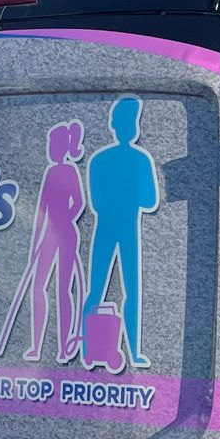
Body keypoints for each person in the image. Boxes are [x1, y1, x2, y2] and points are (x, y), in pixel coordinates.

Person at [0, 120, 84, 364]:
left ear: (61, 146)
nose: (50, 147)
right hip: (50, 235)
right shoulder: (51, 173)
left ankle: (63, 347)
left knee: (64, 289)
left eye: (52, 143)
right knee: (37, 287)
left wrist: (64, 221)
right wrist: (34, 248)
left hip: (67, 234)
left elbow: (79, 202)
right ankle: (35, 346)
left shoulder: (70, 170)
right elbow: (41, 211)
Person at [82, 96, 160, 369]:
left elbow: (98, 201)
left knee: (100, 291)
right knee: (127, 291)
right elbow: (149, 200)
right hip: (125, 226)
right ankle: (127, 350)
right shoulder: (138, 160)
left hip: (109, 226)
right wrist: (130, 192)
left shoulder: (100, 161)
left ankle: (89, 348)